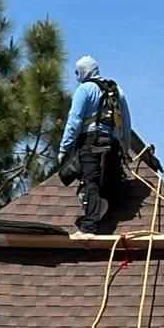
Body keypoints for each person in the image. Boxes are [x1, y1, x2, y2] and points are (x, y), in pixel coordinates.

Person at [57, 55, 133, 234]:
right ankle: (104, 205)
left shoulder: (85, 90)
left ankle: (88, 226)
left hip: (90, 141)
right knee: (108, 178)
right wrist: (125, 149)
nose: (76, 77)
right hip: (112, 144)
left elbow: (74, 120)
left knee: (90, 181)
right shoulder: (117, 92)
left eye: (77, 72)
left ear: (85, 71)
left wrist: (64, 147)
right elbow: (126, 125)